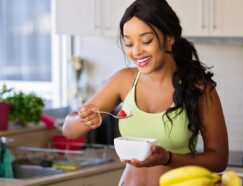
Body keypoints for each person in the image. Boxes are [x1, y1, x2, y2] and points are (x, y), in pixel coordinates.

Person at [62, 0, 228, 185]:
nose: (137, 51)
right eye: (129, 44)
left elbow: (219, 159)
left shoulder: (199, 88)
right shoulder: (123, 80)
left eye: (146, 41)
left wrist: (168, 158)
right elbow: (69, 130)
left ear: (169, 38)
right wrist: (83, 119)